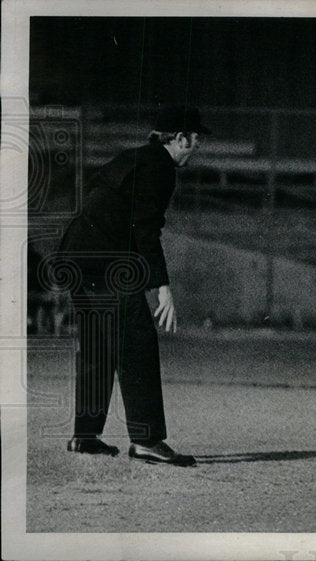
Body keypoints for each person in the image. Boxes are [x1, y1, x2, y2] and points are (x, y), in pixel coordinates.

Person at [58, 105, 211, 466]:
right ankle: (147, 440)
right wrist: (162, 286)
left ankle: (86, 434)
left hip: (77, 255)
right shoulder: (161, 167)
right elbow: (146, 229)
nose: (197, 147)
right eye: (195, 140)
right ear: (179, 139)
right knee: (136, 341)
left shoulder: (135, 158)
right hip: (104, 261)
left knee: (98, 344)